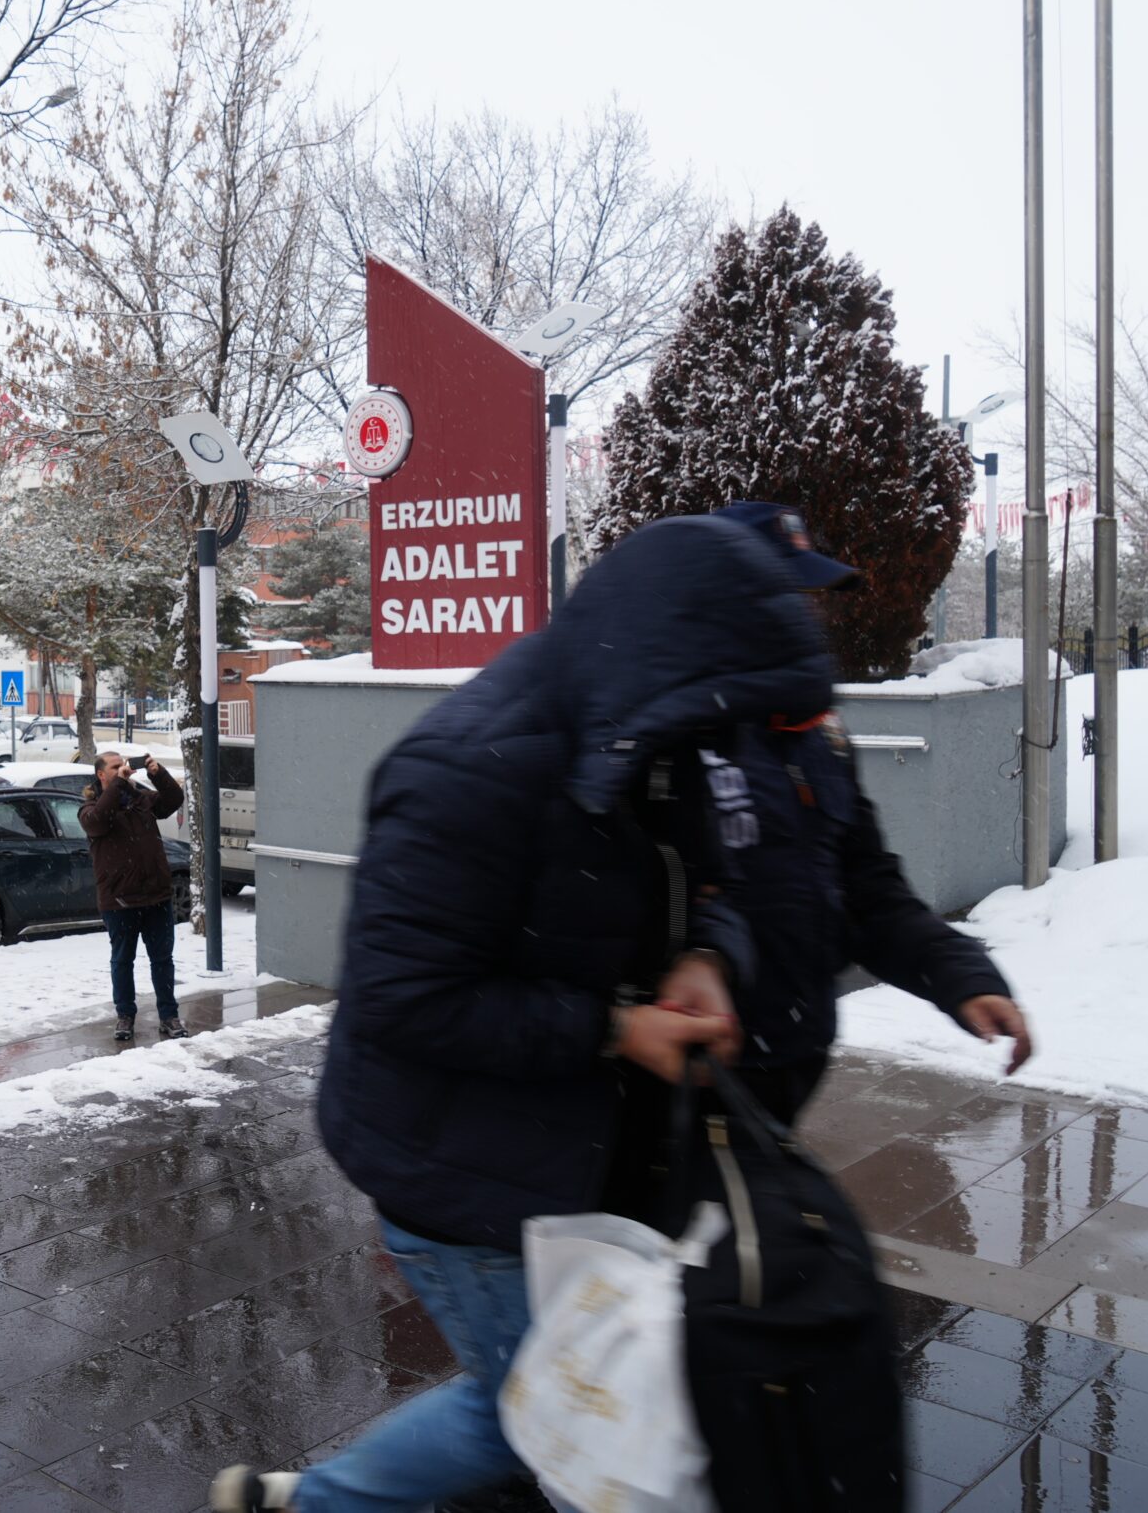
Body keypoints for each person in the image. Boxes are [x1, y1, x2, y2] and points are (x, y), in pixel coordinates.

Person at [212, 513, 1031, 1513]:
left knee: (573, 1403)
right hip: (460, 1172)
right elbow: (404, 998)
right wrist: (614, 1026)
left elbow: (720, 881)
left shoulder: (671, 735)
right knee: (546, 1413)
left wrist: (704, 957)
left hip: (581, 1148)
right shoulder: (467, 770)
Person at [80, 750, 187, 1042]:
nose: (123, 769)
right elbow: (99, 820)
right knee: (122, 961)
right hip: (119, 900)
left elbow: (172, 800)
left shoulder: (140, 799)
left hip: (156, 896)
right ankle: (125, 1016)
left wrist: (157, 773)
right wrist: (119, 784)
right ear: (101, 775)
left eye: (123, 764)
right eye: (115, 767)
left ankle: (169, 1016)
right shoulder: (90, 809)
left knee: (162, 960)